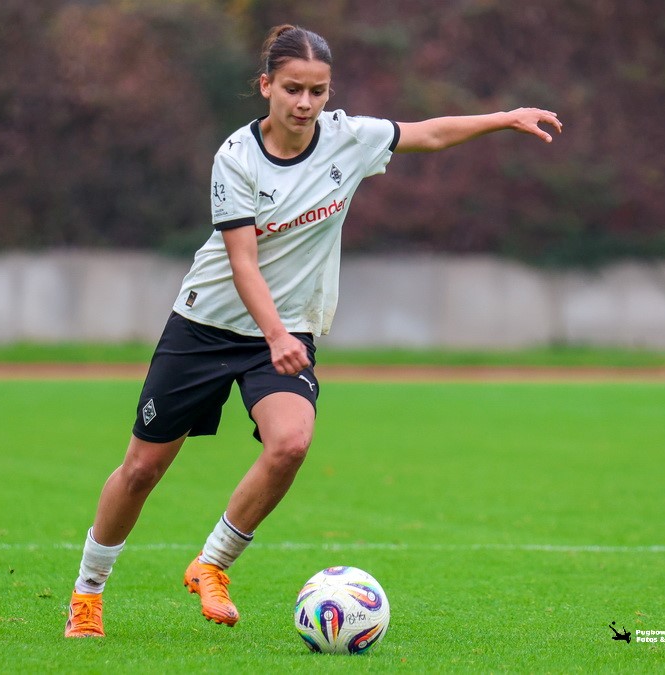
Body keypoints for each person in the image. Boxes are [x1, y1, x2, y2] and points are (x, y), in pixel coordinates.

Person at [64, 23, 562, 637]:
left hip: (287, 332)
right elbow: (243, 262)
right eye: (293, 89)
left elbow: (428, 133)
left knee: (291, 444)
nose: (305, 103)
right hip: (205, 326)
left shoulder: (347, 139)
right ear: (266, 85)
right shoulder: (236, 157)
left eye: (318, 91)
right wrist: (274, 334)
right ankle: (88, 592)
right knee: (142, 470)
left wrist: (504, 118)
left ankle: (211, 564)